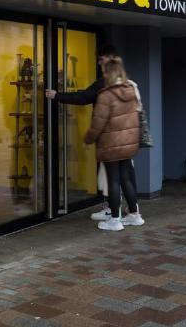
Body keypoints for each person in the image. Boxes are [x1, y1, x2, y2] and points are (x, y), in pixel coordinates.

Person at [46, 43, 129, 221]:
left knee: (110, 178)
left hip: (110, 139)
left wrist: (57, 96)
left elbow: (85, 98)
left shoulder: (104, 86)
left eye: (101, 60)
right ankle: (133, 213)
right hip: (127, 139)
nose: (100, 64)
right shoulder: (129, 84)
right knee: (125, 176)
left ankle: (114, 215)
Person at [83, 57, 144, 231]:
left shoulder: (106, 95)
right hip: (129, 144)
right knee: (126, 179)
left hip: (111, 145)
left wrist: (88, 139)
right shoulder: (131, 90)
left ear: (107, 74)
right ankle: (134, 215)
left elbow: (98, 123)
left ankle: (115, 220)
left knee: (114, 181)